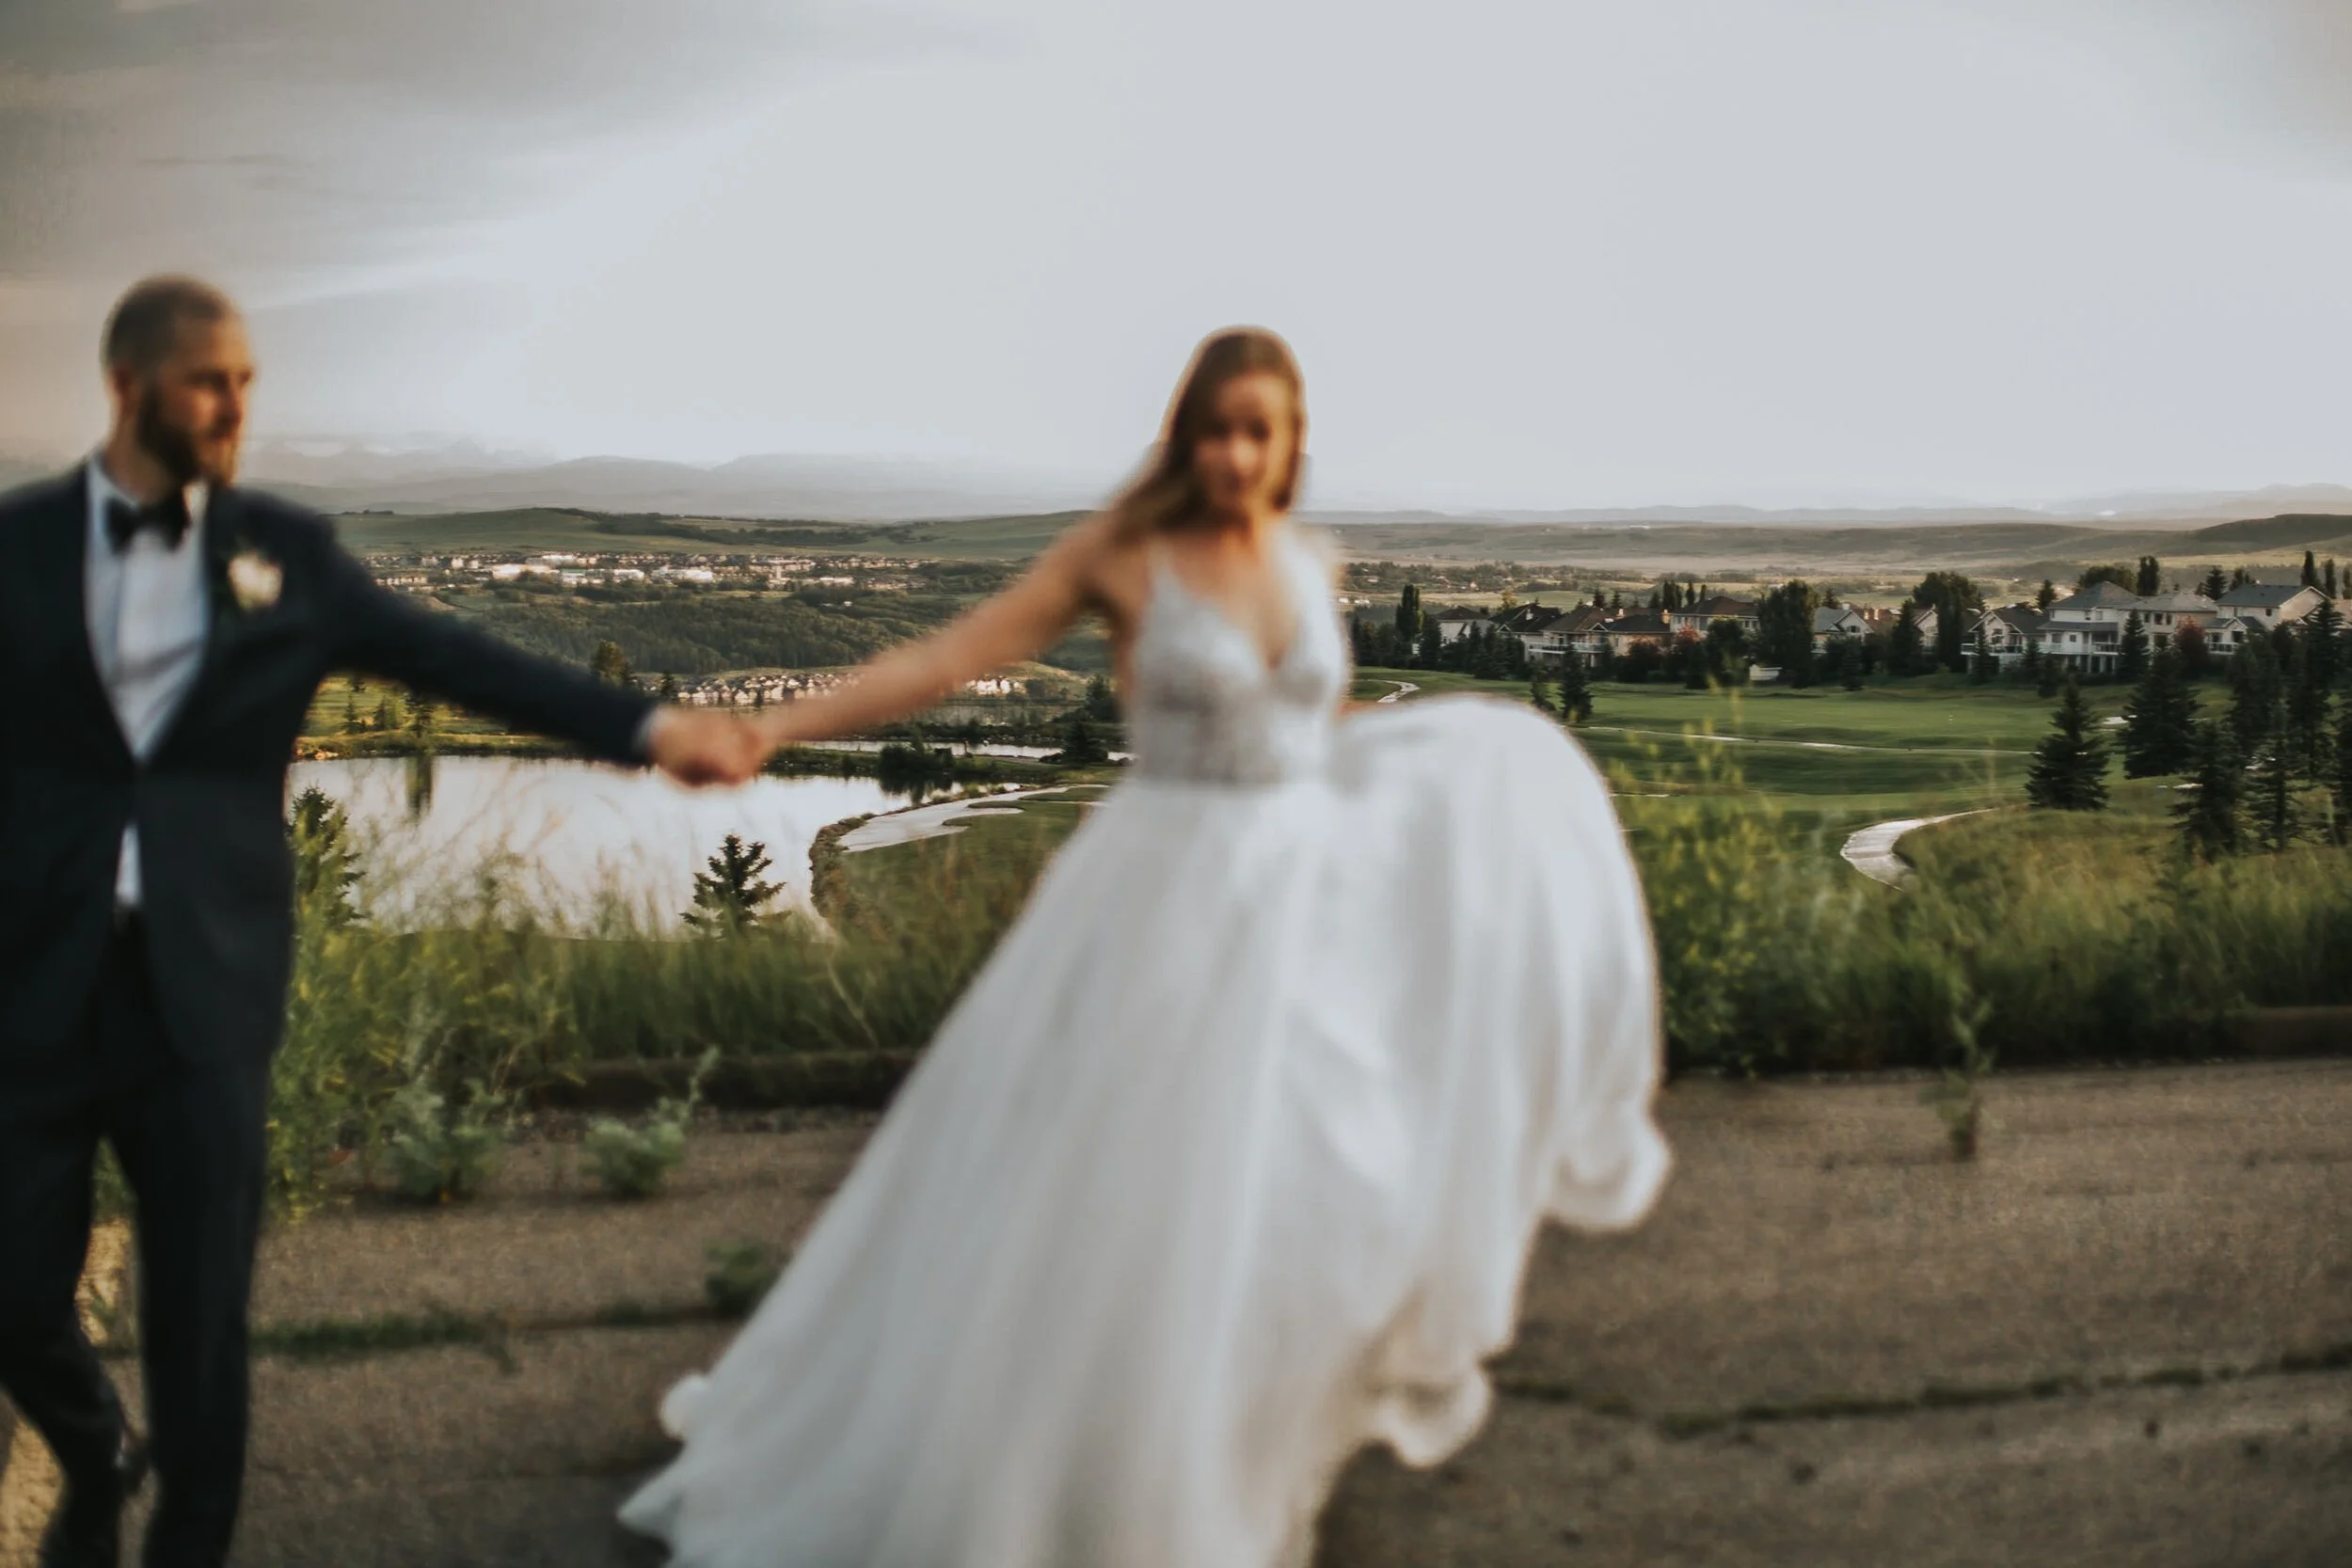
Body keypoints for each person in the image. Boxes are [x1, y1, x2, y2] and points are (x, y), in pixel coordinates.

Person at [618, 327, 1672, 1567]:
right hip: (1165, 900)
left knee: (1294, 1179)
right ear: (1186, 434)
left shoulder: (1305, 557)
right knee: (1118, 1189)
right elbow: (949, 658)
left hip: (1303, 899)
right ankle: (1055, 1470)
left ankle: (1215, 1441)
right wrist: (773, 726)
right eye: (1214, 427)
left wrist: (1443, 759)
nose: (1233, 452)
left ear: (1289, 447)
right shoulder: (1124, 556)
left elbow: (1312, 719)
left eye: (1258, 431)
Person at [0, 276, 766, 1568]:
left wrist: (645, 726)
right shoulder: (15, 544)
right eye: (209, 380)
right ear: (127, 386)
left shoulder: (283, 554)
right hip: (32, 981)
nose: (238, 403)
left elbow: (457, 660)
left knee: (198, 1334)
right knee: (16, 1296)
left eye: (247, 379)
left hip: (206, 994)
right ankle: (92, 1445)